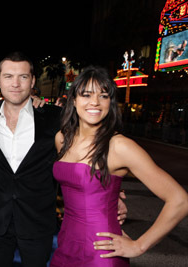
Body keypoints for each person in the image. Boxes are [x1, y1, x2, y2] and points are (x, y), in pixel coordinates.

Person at [0, 53, 127, 267]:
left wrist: (116, 192)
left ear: (32, 81)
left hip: (38, 221)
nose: (16, 83)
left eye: (23, 77)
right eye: (9, 76)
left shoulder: (54, 118)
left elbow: (86, 152)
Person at [50, 66, 188, 267]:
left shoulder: (119, 146)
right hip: (66, 244)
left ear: (110, 103)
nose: (95, 102)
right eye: (86, 95)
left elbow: (180, 200)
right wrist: (111, 194)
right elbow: (76, 184)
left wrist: (139, 245)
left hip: (102, 253)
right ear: (73, 100)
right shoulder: (62, 139)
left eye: (104, 96)